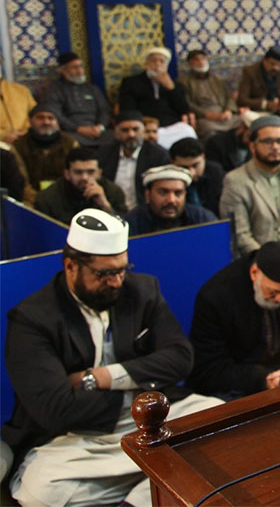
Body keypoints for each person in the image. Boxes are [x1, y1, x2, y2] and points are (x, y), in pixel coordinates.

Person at [3, 209, 220, 506]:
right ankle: (153, 484)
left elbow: (181, 358)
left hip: (152, 419)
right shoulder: (32, 319)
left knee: (219, 419)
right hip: (81, 437)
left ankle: (138, 496)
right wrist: (136, 392)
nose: (117, 281)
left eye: (122, 269)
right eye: (104, 274)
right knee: (42, 491)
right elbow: (54, 409)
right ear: (70, 266)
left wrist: (102, 377)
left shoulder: (143, 290)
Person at [188, 241, 280, 400]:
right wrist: (264, 379)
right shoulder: (216, 296)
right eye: (273, 292)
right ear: (254, 273)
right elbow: (208, 370)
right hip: (241, 382)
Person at [219, 115, 280, 255]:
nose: (275, 147)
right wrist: (268, 261)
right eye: (268, 141)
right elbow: (240, 235)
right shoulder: (236, 181)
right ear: (253, 146)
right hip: (261, 261)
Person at [97, 111, 170, 210]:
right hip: (110, 209)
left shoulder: (158, 155)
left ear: (143, 131)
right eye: (125, 130)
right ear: (116, 133)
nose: (131, 134)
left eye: (135, 129)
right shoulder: (105, 153)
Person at [35, 147, 127, 224]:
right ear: (67, 174)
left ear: (99, 173)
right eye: (78, 172)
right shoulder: (47, 198)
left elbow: (124, 228)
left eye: (91, 172)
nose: (84, 178)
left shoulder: (114, 192)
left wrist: (106, 206)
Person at [40, 51, 112, 146]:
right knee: (68, 141)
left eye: (81, 66)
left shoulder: (92, 89)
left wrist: (100, 127)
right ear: (63, 70)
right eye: (74, 67)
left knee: (114, 138)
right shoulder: (55, 90)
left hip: (98, 131)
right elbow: (56, 114)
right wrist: (79, 129)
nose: (80, 70)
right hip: (72, 131)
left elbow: (104, 110)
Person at [123, 164, 217, 235]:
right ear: (148, 194)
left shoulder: (203, 219)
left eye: (178, 193)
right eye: (163, 192)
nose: (171, 200)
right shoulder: (131, 224)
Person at [12, 103, 79, 201]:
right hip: (29, 200)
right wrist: (38, 200)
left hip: (64, 199)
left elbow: (75, 177)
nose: (46, 122)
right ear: (30, 121)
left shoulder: (70, 143)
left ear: (57, 122)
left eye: (51, 118)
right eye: (40, 118)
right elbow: (20, 181)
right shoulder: (18, 145)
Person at [118, 47, 193, 127]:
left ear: (166, 66)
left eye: (162, 61)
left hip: (172, 125)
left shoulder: (175, 85)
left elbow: (184, 109)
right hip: (145, 125)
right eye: (154, 60)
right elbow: (127, 110)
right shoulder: (131, 82)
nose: (157, 64)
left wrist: (171, 89)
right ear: (146, 63)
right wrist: (146, 120)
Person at [177, 49, 241, 138]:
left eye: (203, 59)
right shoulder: (184, 82)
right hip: (205, 118)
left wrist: (228, 111)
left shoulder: (217, 79)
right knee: (209, 130)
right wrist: (205, 114)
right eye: (197, 60)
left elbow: (229, 97)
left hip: (224, 114)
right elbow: (187, 103)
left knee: (245, 123)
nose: (201, 62)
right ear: (190, 63)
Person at [170, 137, 224, 216]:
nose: (191, 172)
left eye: (195, 165)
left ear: (203, 157)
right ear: (172, 163)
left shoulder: (216, 173)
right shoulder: (166, 180)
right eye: (184, 167)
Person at [237, 46, 280, 113]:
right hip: (258, 111)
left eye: (279, 65)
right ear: (264, 60)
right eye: (272, 64)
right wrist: (265, 104)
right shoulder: (250, 72)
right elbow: (242, 100)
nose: (275, 68)